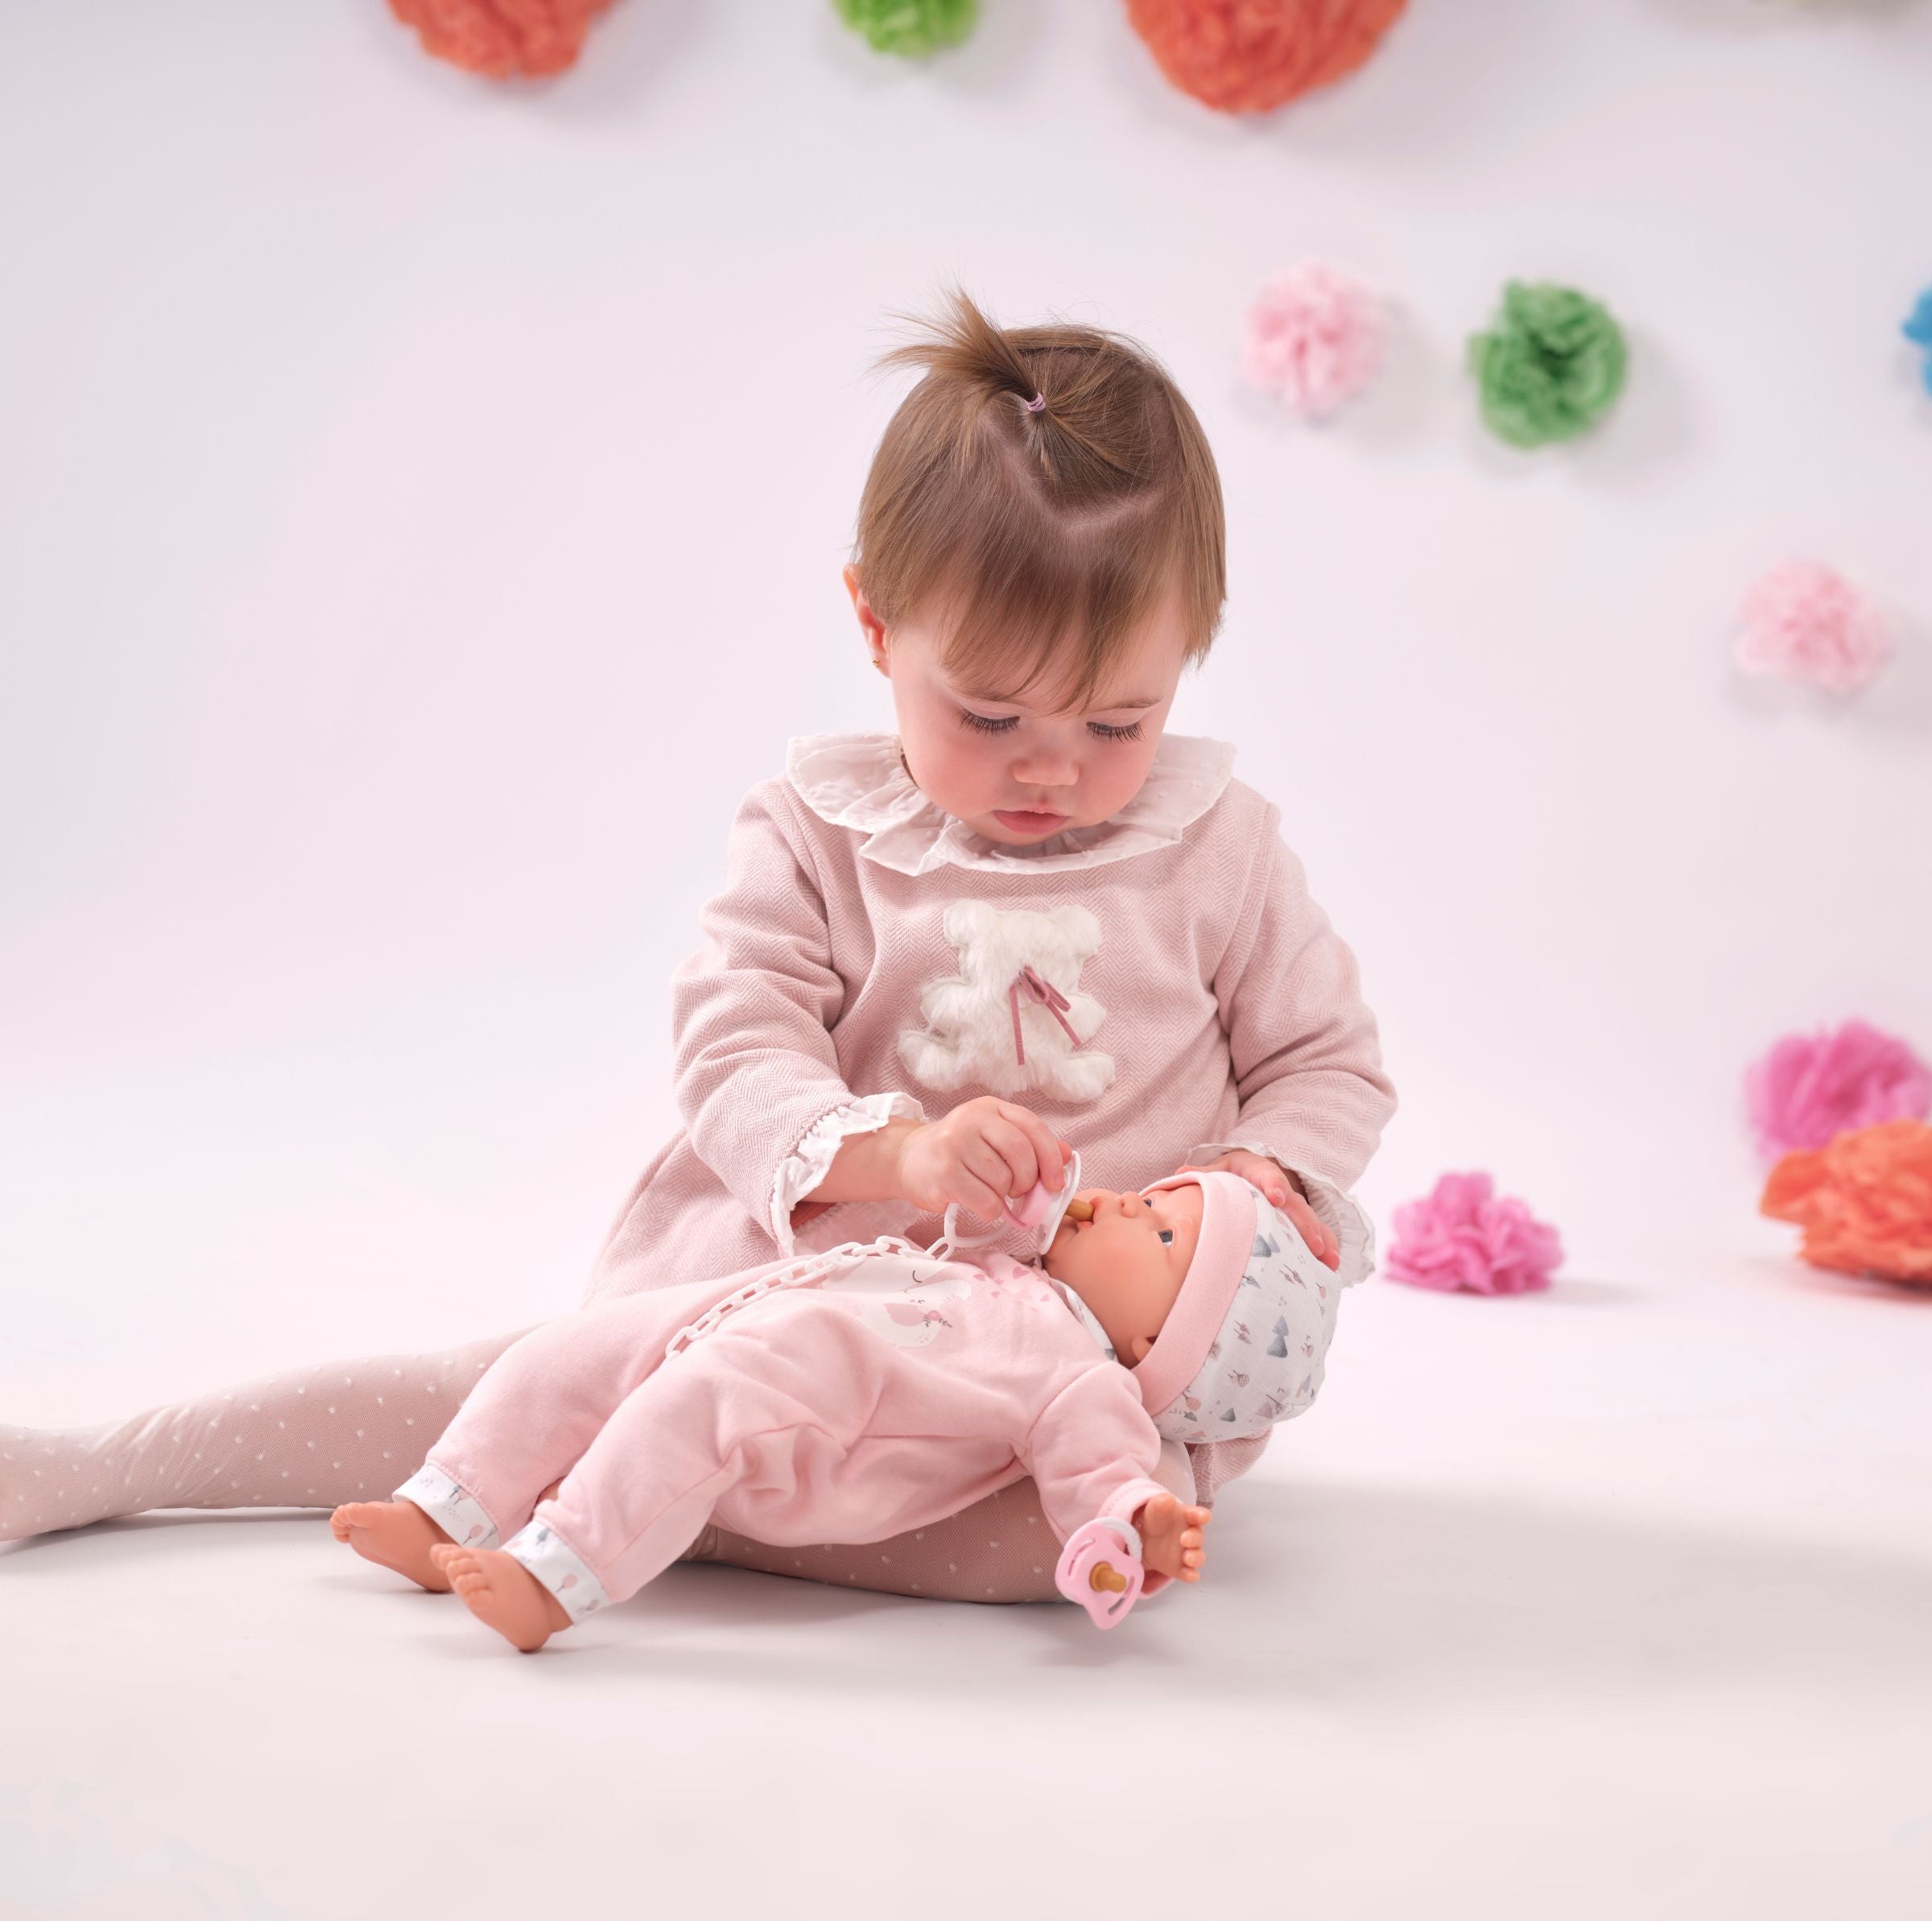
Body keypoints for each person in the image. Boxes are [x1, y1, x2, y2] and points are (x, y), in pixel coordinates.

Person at [2, 290, 1396, 1605]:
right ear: (875, 624)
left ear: (1189, 654)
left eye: (1116, 723)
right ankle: (120, 1462)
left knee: (1111, 1525)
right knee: (509, 1381)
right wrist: (900, 1157)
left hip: (1065, 1364)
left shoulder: (1220, 852)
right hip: (793, 1294)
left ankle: (649, 1494)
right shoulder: (819, 832)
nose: (1052, 768)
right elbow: (735, 1050)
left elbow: (1326, 1062)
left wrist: (1256, 1180)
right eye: (988, 716)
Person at [336, 1166, 1367, 1651]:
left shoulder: (1086, 1381)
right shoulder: (1017, 1270)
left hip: (806, 1420)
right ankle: (447, 1507)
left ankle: (554, 1582)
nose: (1130, 1201)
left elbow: (1097, 1474)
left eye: (1162, 1233)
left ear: (1160, 1343)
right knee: (566, 1353)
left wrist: (1142, 1521)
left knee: (685, 1414)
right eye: (1154, 1192)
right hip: (742, 1319)